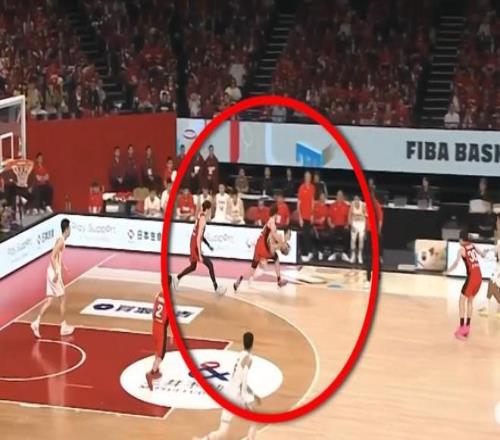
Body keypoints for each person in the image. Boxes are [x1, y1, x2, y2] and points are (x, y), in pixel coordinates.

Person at [193, 332, 260, 440]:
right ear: (252, 344)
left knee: (223, 432)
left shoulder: (240, 355)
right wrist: (245, 398)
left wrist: (252, 394)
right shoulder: (248, 359)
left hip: (229, 393)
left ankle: (203, 439)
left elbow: (237, 377)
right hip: (237, 396)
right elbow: (243, 379)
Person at [31, 218, 74, 338]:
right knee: (63, 299)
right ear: (66, 229)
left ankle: (36, 323)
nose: (70, 231)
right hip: (54, 273)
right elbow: (52, 256)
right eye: (70, 228)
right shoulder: (61, 241)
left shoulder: (60, 240)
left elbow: (58, 256)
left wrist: (64, 267)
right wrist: (57, 272)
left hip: (51, 271)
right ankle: (63, 327)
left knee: (50, 300)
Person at [172, 201, 226, 294]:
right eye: (211, 209)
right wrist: (200, 254)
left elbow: (199, 235)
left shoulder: (199, 215)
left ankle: (177, 278)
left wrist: (208, 245)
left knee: (193, 266)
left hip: (192, 243)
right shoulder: (203, 220)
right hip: (195, 245)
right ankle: (216, 288)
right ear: (208, 209)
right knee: (210, 265)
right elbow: (198, 237)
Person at [234, 204, 289, 291]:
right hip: (263, 246)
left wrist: (280, 244)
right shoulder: (272, 222)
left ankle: (239, 280)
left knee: (253, 267)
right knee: (276, 257)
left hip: (258, 245)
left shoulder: (269, 221)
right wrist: (282, 244)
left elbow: (271, 237)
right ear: (275, 213)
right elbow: (274, 235)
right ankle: (279, 280)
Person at [446, 231, 488, 340]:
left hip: (472, 277)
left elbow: (455, 264)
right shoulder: (472, 245)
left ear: (462, 239)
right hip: (479, 277)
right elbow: (483, 255)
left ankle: (461, 328)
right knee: (470, 301)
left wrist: (447, 271)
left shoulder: (462, 250)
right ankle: (467, 327)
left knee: (461, 300)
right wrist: (485, 252)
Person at [145, 280, 171, 391]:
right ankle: (151, 373)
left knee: (157, 348)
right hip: (161, 328)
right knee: (161, 355)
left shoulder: (158, 294)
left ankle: (156, 371)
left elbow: (155, 310)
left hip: (154, 325)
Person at [364, 190, 383, 288]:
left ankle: (377, 276)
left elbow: (380, 220)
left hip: (375, 233)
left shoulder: (377, 205)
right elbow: (366, 219)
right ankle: (368, 279)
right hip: (368, 232)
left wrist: (378, 232)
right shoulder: (367, 205)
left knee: (375, 256)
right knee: (368, 257)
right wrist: (365, 231)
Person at [297, 171, 315, 262]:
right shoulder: (301, 188)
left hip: (309, 216)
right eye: (306, 176)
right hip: (303, 216)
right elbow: (298, 203)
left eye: (309, 176)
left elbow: (312, 201)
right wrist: (300, 217)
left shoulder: (312, 187)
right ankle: (305, 253)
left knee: (308, 235)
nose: (308, 178)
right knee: (304, 235)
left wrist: (312, 214)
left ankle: (309, 252)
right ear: (304, 177)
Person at [328, 190, 350, 262]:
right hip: (334, 226)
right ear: (336, 197)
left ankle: (345, 253)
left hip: (343, 226)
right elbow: (329, 217)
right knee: (331, 233)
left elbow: (348, 218)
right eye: (338, 195)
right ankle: (332, 253)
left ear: (343, 197)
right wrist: (330, 224)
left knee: (347, 233)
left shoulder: (346, 206)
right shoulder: (332, 205)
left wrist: (347, 225)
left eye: (341, 195)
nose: (339, 197)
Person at [348, 195, 367, 264]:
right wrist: (351, 224)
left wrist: (365, 227)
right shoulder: (352, 204)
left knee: (361, 240)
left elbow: (366, 216)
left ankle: (360, 255)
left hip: (361, 223)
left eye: (357, 199)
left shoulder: (363, 205)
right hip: (354, 223)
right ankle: (353, 255)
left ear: (359, 200)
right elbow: (349, 215)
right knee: (353, 239)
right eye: (355, 199)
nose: (356, 201)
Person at [312, 192, 329, 260]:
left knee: (321, 235)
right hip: (313, 227)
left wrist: (316, 220)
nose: (322, 198)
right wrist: (316, 221)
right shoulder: (315, 206)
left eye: (323, 197)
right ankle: (311, 252)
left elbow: (322, 221)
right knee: (310, 234)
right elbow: (312, 219)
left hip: (322, 227)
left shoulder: (326, 208)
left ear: (325, 198)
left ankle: (320, 252)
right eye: (321, 196)